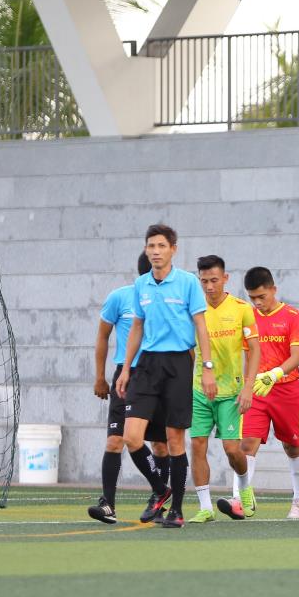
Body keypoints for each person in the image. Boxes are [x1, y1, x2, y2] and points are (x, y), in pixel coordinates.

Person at [114, 223, 213, 528]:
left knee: (174, 439)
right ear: (146, 250)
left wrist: (207, 369)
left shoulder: (187, 283)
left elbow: (201, 326)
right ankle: (160, 489)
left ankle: (177, 510)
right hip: (146, 365)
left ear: (173, 250)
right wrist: (126, 368)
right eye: (151, 246)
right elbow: (137, 327)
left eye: (161, 246)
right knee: (131, 437)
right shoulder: (141, 285)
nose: (156, 251)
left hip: (178, 364)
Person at [86, 253, 170, 524]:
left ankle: (158, 502)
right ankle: (109, 505)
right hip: (126, 375)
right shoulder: (120, 297)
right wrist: (100, 377)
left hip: (157, 375)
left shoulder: (170, 300)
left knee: (159, 444)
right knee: (115, 440)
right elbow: (102, 335)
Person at [188, 255, 259, 523]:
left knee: (232, 449)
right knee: (197, 444)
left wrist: (248, 387)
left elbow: (254, 350)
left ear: (225, 278)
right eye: (204, 281)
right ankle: (205, 507)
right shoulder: (195, 310)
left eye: (214, 280)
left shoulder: (242, 309)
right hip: (199, 390)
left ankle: (245, 487)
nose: (209, 286)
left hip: (230, 392)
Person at [242, 266, 299, 519]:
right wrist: (247, 385)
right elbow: (247, 355)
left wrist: (275, 374)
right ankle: (241, 498)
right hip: (257, 389)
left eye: (262, 296)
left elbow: (297, 356)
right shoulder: (248, 317)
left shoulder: (292, 315)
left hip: (286, 389)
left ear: (273, 289)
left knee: (291, 446)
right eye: (252, 298)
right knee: (247, 444)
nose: (258, 303)